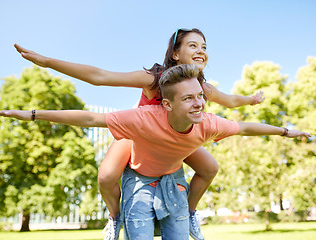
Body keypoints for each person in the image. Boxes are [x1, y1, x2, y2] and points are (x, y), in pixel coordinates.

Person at [0, 64, 310, 240]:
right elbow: (89, 117)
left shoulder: (209, 123)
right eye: (189, 99)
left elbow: (247, 127)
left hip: (173, 181)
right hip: (139, 181)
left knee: (185, 219)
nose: (199, 103)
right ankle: (115, 220)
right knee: (135, 228)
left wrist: (285, 131)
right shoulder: (143, 119)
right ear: (167, 104)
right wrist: (30, 114)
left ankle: (191, 214)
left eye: (200, 96)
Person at [14, 28, 265, 240]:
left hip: (174, 138)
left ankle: (189, 213)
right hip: (140, 135)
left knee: (210, 168)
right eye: (193, 45)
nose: (201, 50)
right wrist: (47, 62)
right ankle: (115, 218)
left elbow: (230, 101)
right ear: (176, 53)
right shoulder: (153, 78)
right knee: (106, 176)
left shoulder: (201, 86)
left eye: (204, 46)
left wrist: (251, 100)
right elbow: (100, 77)